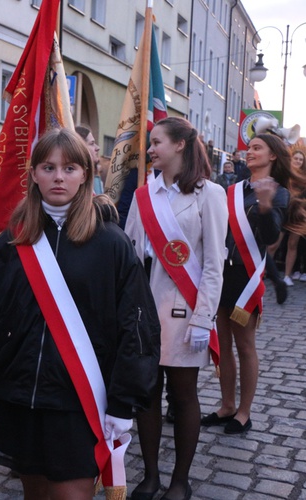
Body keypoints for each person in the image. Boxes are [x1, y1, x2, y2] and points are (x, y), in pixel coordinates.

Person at [0, 129, 160, 500]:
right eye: (48, 167)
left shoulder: (111, 243)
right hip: (20, 399)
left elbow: (137, 325)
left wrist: (122, 401)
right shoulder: (11, 241)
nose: (58, 177)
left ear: (85, 173)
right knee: (34, 494)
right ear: (34, 174)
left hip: (78, 403)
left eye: (69, 168)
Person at [125, 117, 227, 500]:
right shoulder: (143, 196)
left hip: (186, 312)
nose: (150, 149)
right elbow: (132, 256)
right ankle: (150, 475)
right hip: (147, 309)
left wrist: (204, 318)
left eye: (156, 142)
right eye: (150, 144)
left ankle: (179, 480)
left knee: (183, 396)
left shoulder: (209, 194)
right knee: (146, 393)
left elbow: (214, 264)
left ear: (180, 145)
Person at [202, 133, 290, 435]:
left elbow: (269, 239)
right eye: (248, 148)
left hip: (246, 275)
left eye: (256, 148)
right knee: (223, 343)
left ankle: (244, 412)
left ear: (273, 155)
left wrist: (265, 207)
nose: (249, 152)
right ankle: (226, 405)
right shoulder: (233, 189)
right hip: (222, 273)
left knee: (245, 344)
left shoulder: (278, 193)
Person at [282, 150, 306, 285]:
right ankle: (265, 272)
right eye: (296, 158)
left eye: (300, 160)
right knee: (273, 244)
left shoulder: (303, 179)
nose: (298, 161)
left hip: (297, 215)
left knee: (293, 244)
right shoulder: (284, 175)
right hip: (282, 212)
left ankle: (286, 275)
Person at [76, 125, 104, 194]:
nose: (97, 148)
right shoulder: (75, 181)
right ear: (81, 147)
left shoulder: (94, 178)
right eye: (92, 143)